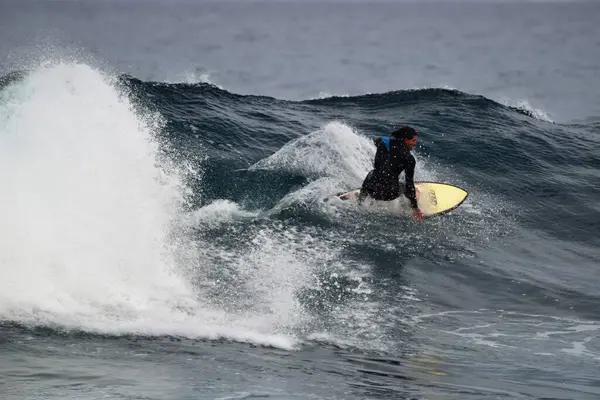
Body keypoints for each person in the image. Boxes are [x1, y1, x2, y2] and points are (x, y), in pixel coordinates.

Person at [358, 126, 424, 221]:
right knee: (413, 189)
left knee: (372, 173)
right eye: (413, 141)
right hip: (388, 194)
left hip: (371, 189)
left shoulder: (383, 141)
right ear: (405, 140)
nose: (415, 143)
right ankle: (413, 210)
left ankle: (360, 200)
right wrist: (415, 207)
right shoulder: (409, 158)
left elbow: (377, 141)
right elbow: (409, 185)